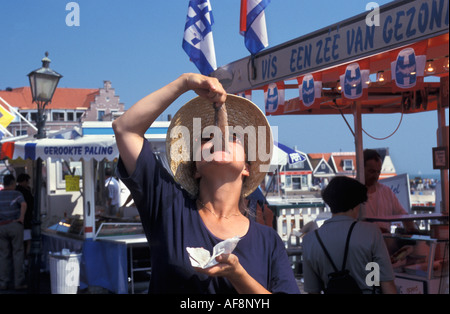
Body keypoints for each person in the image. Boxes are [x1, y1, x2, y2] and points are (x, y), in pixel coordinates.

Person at [112, 73, 299, 294]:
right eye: (207, 138)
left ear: (247, 168)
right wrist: (185, 82)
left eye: (232, 138)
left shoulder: (269, 240)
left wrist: (238, 275)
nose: (219, 138)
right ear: (196, 169)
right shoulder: (169, 207)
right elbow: (126, 129)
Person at [302, 176, 397, 294]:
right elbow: (387, 283)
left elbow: (313, 290)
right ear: (356, 204)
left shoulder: (310, 240)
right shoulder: (371, 232)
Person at [361, 149, 417, 233]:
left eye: (378, 172)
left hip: (385, 243)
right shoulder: (351, 193)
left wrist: (412, 230)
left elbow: (403, 215)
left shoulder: (386, 192)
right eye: (372, 171)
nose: (376, 176)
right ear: (361, 168)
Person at [0, 174, 27, 290]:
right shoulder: (17, 194)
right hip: (15, 225)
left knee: (3, 255)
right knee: (18, 253)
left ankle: (3, 282)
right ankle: (18, 282)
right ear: (13, 183)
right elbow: (23, 204)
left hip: (1, 226)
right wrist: (21, 217)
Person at [15, 173, 34, 260]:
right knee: (28, 241)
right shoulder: (25, 192)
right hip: (26, 220)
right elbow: (30, 204)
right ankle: (27, 259)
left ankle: (21, 259)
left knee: (20, 242)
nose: (28, 183)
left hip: (16, 221)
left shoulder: (15, 190)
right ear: (24, 181)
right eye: (27, 181)